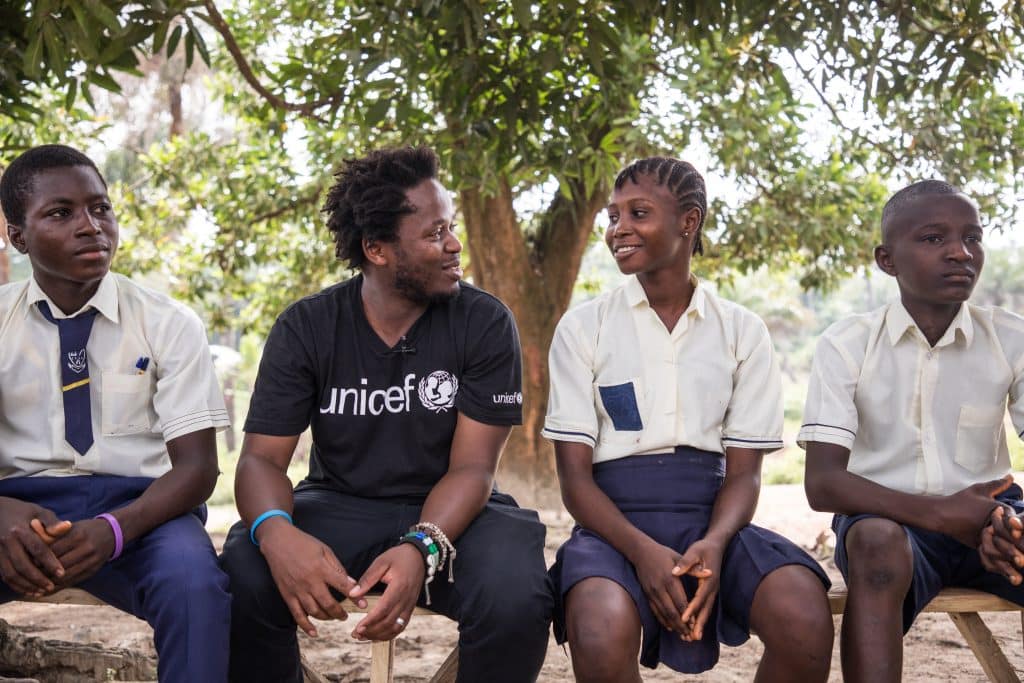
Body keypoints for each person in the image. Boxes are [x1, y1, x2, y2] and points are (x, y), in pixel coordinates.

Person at [219, 146, 552, 683]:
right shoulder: (307, 327)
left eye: (451, 227)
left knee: (517, 595)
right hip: (339, 505)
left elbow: (473, 469)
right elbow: (260, 461)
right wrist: (277, 534)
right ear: (376, 249)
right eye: (435, 233)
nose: (454, 244)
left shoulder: (484, 322)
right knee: (242, 570)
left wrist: (422, 546)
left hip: (457, 514)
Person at [544, 156, 833, 681]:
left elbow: (744, 475)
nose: (619, 229)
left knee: (803, 614)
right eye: (613, 216)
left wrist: (716, 543)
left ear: (688, 221)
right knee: (599, 627)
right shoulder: (584, 329)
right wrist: (642, 552)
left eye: (638, 213)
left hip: (714, 523)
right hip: (612, 527)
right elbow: (575, 482)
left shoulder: (741, 332)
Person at [0, 144, 232, 682]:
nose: (91, 226)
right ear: (17, 236)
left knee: (194, 586)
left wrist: (114, 530)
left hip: (141, 512)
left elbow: (198, 470)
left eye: (100, 208)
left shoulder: (168, 322)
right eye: (61, 213)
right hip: (16, 511)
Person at [801, 179, 1024, 682]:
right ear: (887, 260)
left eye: (973, 237)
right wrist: (942, 515)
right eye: (933, 238)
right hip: (888, 519)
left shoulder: (1010, 337)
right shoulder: (848, 343)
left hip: (989, 517)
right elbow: (823, 483)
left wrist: (1005, 523)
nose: (960, 252)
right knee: (875, 544)